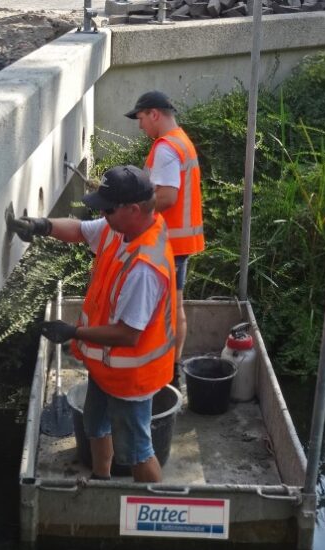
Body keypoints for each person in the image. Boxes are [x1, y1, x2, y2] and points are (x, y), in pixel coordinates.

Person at [7, 165, 177, 483]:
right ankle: (101, 480)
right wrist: (42, 226)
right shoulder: (122, 228)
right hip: (106, 366)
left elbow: (128, 335)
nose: (103, 214)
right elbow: (82, 230)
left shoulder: (144, 268)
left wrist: (73, 332)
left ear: (133, 209)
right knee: (96, 425)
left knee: (138, 452)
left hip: (130, 378)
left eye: (107, 209)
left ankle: (151, 513)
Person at [125, 90, 204, 380]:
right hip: (176, 242)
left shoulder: (166, 147)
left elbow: (168, 197)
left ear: (155, 114)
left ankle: (166, 372)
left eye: (141, 117)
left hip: (168, 242)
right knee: (175, 307)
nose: (140, 125)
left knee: (168, 310)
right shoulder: (181, 141)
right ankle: (171, 369)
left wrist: (129, 208)